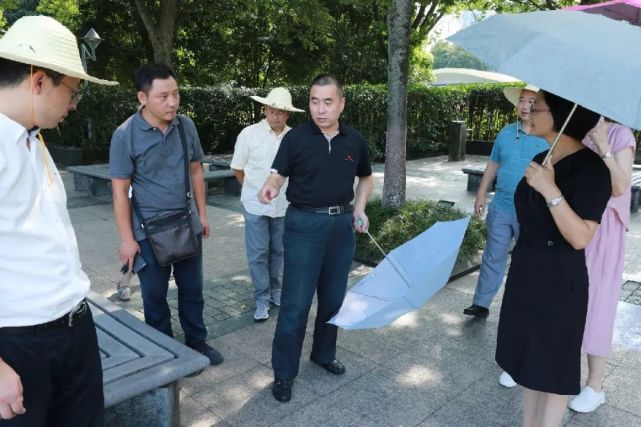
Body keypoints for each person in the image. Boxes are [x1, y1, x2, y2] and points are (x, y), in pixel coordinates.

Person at [0, 15, 117, 425]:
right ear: (38, 81)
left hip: (74, 326)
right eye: (72, 91)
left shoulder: (34, 138)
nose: (73, 104)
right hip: (18, 345)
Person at [495, 90, 612, 427]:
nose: (528, 110)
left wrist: (551, 192)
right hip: (526, 271)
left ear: (561, 114)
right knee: (528, 365)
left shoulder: (593, 171)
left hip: (560, 281)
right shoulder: (544, 158)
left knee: (552, 365)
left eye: (537, 106)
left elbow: (580, 237)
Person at [259, 74, 373, 403]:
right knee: (295, 303)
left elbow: (366, 178)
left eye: (327, 102)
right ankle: (284, 372)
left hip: (341, 228)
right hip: (304, 225)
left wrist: (360, 209)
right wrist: (271, 186)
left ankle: (323, 354)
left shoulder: (354, 140)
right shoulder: (296, 139)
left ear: (341, 103)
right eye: (313, 101)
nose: (320, 109)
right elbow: (278, 173)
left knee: (333, 299)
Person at [110, 64, 223, 366]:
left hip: (186, 223)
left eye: (176, 94)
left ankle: (197, 342)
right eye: (163, 96)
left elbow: (196, 171)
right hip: (147, 230)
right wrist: (126, 239)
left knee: (192, 290)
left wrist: (203, 215)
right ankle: (165, 352)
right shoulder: (125, 135)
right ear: (142, 97)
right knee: (154, 296)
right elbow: (120, 192)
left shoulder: (185, 126)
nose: (172, 102)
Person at [568, 120, 635, 413]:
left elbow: (620, 186)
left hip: (605, 228)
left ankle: (595, 386)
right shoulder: (578, 129)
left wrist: (605, 147)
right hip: (575, 220)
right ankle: (550, 368)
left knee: (597, 302)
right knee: (566, 296)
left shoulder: (621, 134)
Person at [464, 84, 548, 317]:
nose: (525, 106)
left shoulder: (548, 138)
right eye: (522, 100)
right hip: (501, 206)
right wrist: (481, 193)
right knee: (493, 255)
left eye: (531, 101)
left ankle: (525, 306)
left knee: (528, 261)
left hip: (532, 211)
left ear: (540, 106)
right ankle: (481, 303)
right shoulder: (506, 132)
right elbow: (493, 163)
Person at [231, 88, 304, 321]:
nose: (276, 115)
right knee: (258, 253)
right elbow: (237, 168)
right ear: (265, 109)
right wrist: (251, 190)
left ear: (288, 114)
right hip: (254, 205)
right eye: (272, 110)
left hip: (283, 205)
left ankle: (276, 290)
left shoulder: (295, 138)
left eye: (281, 111)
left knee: (279, 251)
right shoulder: (248, 134)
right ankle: (261, 297)